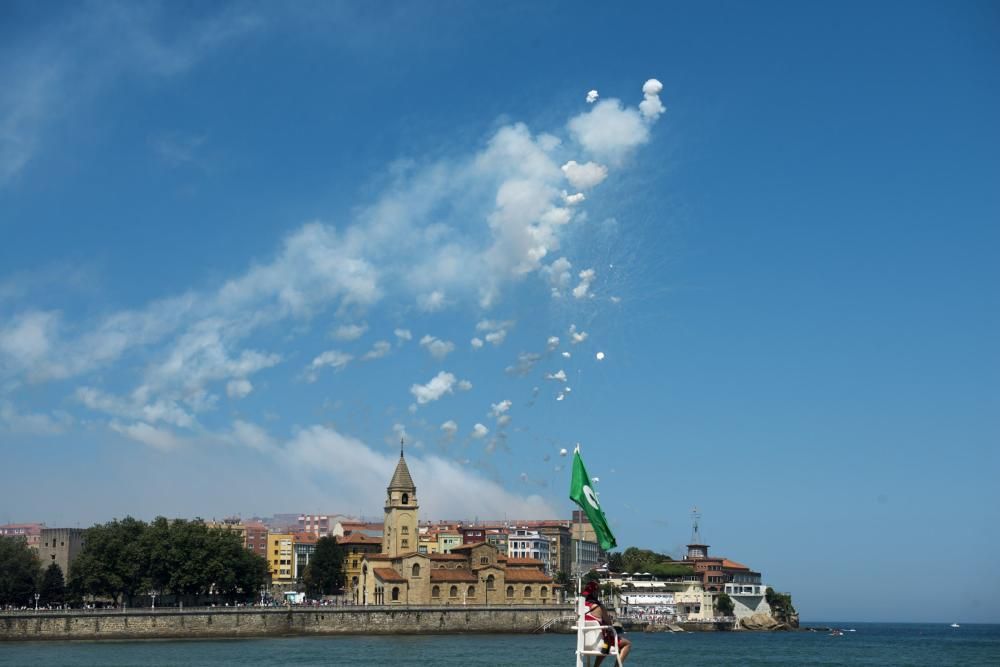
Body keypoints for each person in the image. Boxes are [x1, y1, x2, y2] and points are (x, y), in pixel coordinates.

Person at [582, 581, 631, 665]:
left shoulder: (581, 606)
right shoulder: (599, 607)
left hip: (584, 642)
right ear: (595, 593)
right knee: (627, 643)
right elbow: (609, 623)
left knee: (605, 641)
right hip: (599, 643)